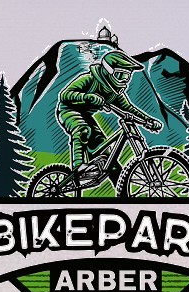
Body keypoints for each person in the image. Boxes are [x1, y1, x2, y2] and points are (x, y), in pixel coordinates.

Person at [52, 27, 158, 191]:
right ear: (108, 71)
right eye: (120, 75)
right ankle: (79, 167)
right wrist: (90, 97)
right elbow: (65, 95)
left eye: (127, 77)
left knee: (109, 158)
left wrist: (147, 120)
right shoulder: (89, 79)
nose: (124, 81)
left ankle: (122, 193)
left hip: (86, 114)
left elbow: (129, 108)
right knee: (82, 129)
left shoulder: (115, 92)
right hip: (69, 110)